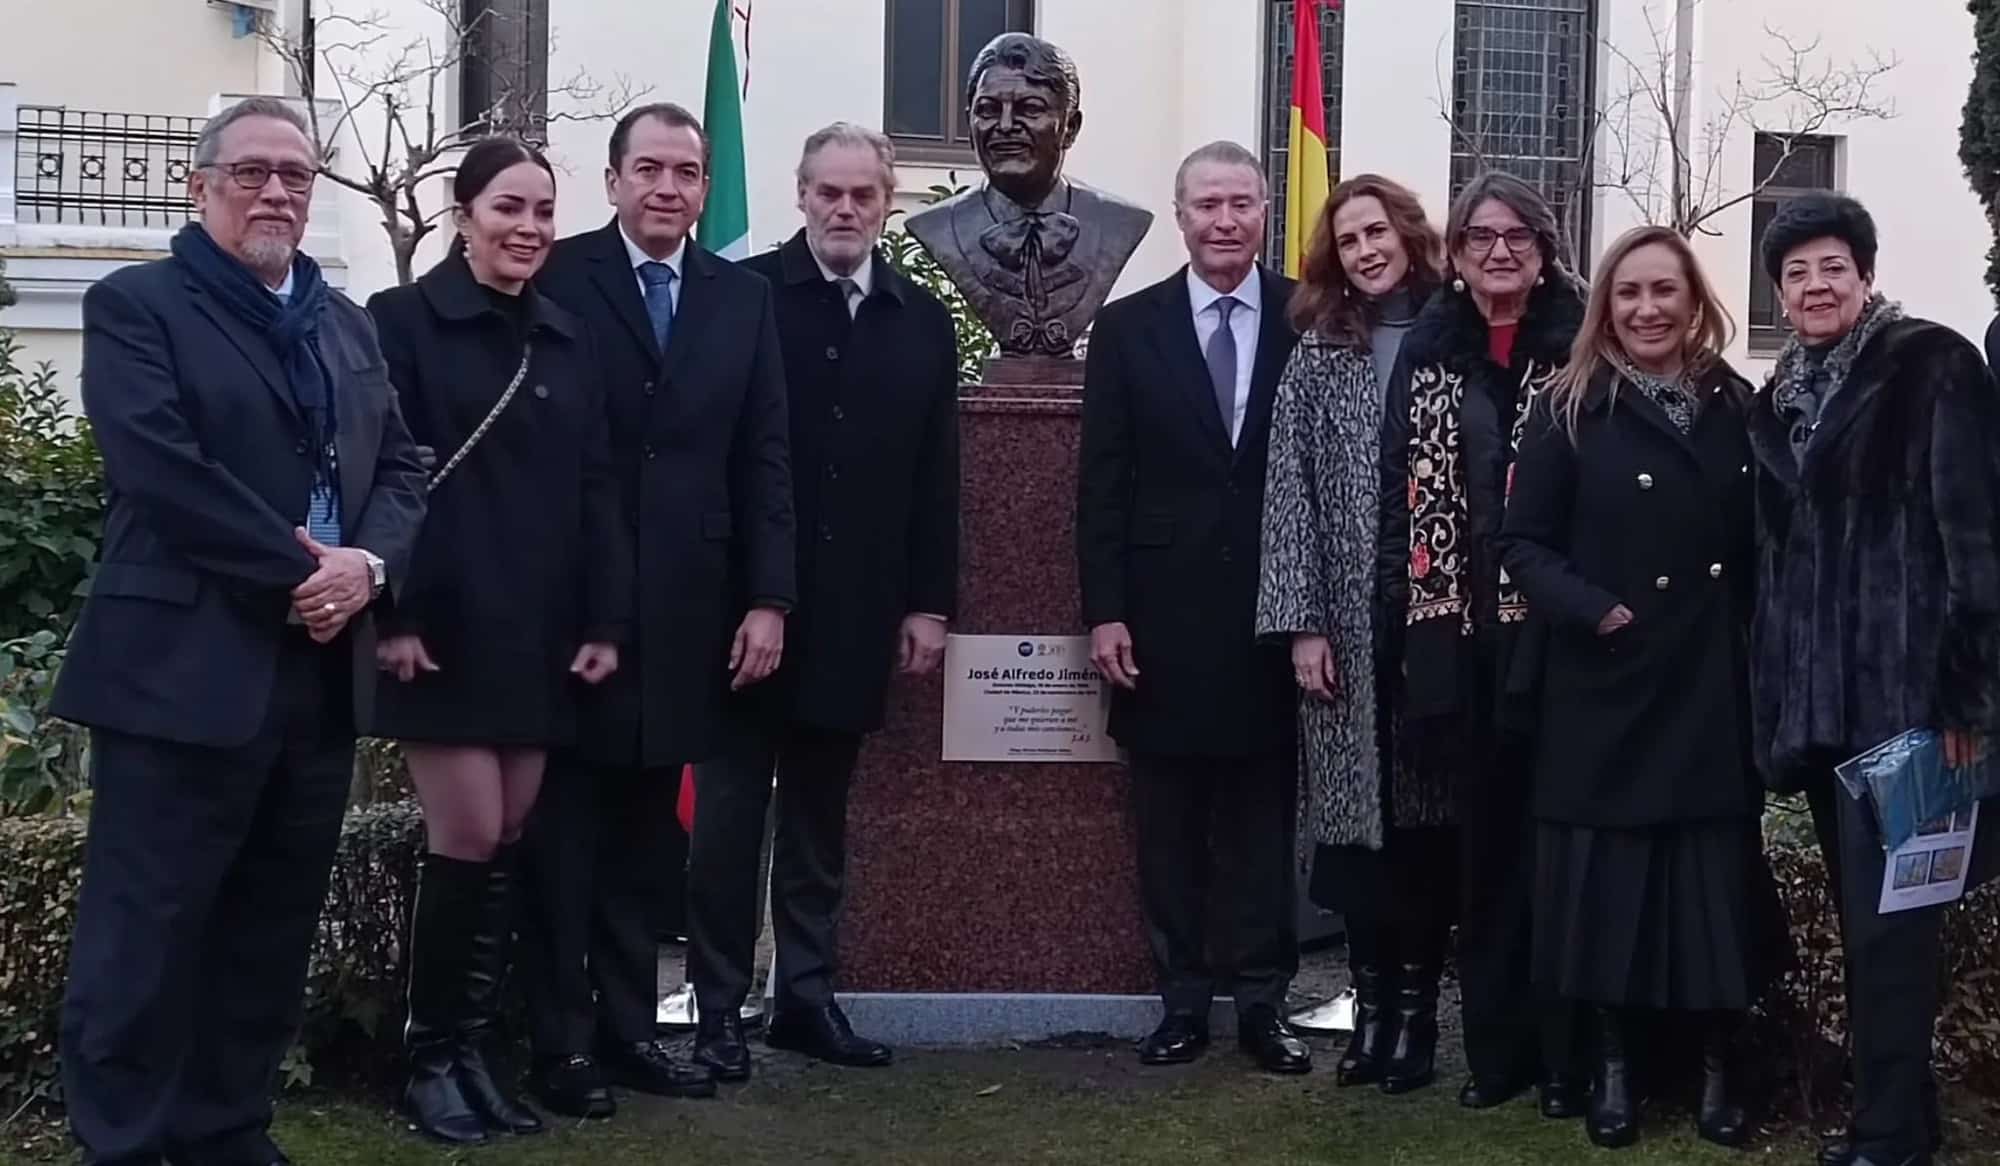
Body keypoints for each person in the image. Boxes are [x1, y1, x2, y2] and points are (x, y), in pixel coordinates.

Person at [52, 96, 427, 1165]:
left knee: (268, 928)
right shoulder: (137, 305)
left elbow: (400, 467)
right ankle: (122, 1142)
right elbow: (160, 467)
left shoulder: (345, 321)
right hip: (181, 671)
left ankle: (226, 1130)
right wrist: (304, 569)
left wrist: (369, 566)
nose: (275, 192)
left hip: (313, 677)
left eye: (295, 176)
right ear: (200, 183)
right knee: (145, 932)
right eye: (252, 172)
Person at [523, 101, 795, 1118]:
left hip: (692, 605)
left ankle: (631, 1032)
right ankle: (558, 1042)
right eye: (649, 169)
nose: (668, 188)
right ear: (612, 180)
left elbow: (763, 452)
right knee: (564, 831)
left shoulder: (741, 296)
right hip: (575, 602)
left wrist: (768, 596)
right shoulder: (557, 275)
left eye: (687, 172)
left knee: (645, 839)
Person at [363, 137, 630, 1144]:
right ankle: (428, 1057)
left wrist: (606, 618)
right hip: (439, 626)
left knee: (509, 833)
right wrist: (395, 615)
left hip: (541, 626)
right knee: (467, 831)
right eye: (508, 207)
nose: (527, 228)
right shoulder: (400, 323)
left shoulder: (565, 336)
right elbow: (381, 476)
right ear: (462, 212)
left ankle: (473, 1051)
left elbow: (595, 486)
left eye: (542, 212)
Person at [686, 123, 960, 1081]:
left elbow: (936, 478)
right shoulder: (740, 297)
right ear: (800, 194)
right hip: (745, 611)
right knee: (726, 822)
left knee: (818, 820)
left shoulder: (922, 320)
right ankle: (717, 1005)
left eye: (864, 196)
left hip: (855, 612)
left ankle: (804, 998)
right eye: (829, 193)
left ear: (888, 205)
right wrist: (746, 591)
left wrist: (928, 603)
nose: (846, 211)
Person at [1499, 225, 1778, 1150]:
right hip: (1605, 680)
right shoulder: (1567, 406)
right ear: (1604, 307)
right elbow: (1522, 545)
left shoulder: (1736, 403)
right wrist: (1598, 611)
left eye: (1665, 291)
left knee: (1707, 887)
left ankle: (1714, 1068)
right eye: (1629, 294)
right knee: (1607, 891)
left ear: (1695, 301)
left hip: (1706, 680)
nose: (1648, 309)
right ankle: (1612, 1070)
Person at [1747, 192, 2000, 1166]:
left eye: (1830, 267)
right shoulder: (1779, 400)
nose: (1814, 286)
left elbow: (1974, 544)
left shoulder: (1931, 366)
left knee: (1894, 930)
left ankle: (1889, 1131)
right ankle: (1907, 1112)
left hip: (1909, 710)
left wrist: (1965, 704)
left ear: (1862, 272)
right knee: (1869, 927)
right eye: (1795, 272)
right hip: (1819, 718)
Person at [1077, 141, 1309, 1076]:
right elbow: (1103, 485)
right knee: (1167, 825)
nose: (1224, 221)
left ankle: (1262, 1005)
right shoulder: (1129, 328)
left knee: (1261, 825)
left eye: (1241, 204)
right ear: (1180, 217)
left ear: (1263, 213)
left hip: (1272, 614)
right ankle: (1179, 1003)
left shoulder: (1309, 317)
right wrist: (1106, 612)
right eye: (1207, 204)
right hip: (1160, 622)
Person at [1376, 171, 1587, 1111]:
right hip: (1461, 647)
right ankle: (1499, 1057)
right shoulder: (1427, 359)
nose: (1498, 251)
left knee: (1568, 858)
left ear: (1545, 250)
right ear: (1454, 258)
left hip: (1566, 644)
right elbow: (1398, 513)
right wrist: (1404, 645)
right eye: (1479, 237)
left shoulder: (1588, 350)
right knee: (1487, 860)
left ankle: (1572, 1056)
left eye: (1516, 236)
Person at [1257, 173, 1451, 1094]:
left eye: (1377, 231)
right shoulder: (1319, 352)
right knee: (1353, 840)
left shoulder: (1451, 339)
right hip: (1341, 632)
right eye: (1348, 240)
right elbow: (1287, 493)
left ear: (1408, 234)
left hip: (1431, 627)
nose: (1366, 250)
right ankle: (1369, 1014)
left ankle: (1416, 1019)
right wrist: (1300, 627)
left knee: (1421, 833)